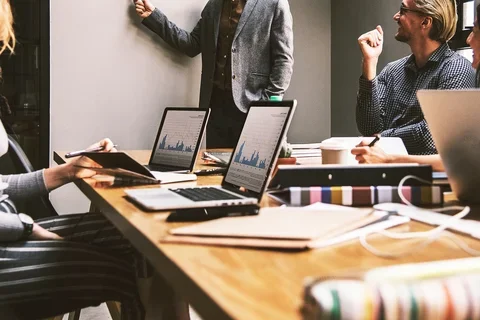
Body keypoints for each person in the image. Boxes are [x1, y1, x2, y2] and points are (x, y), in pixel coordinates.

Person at [0, 2, 144, 318]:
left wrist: (70, 170)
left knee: (138, 237)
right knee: (129, 270)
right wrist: (33, 230)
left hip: (10, 231)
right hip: (6, 242)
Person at [133, 0, 294, 148]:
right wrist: (154, 16)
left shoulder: (275, 3)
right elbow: (191, 44)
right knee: (215, 173)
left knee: (249, 172)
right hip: (215, 108)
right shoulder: (214, 5)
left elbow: (284, 59)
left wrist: (266, 103)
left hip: (252, 107)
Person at [352, 3, 480, 172]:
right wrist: (369, 63)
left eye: (403, 10)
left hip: (428, 181)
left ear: (425, 22)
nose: (396, 16)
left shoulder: (456, 70)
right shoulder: (393, 70)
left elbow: (431, 136)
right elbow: (368, 128)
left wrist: (381, 138)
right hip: (386, 174)